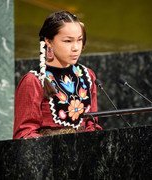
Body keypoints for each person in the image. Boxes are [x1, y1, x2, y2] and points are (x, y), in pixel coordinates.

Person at [13, 11, 102, 139]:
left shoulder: (87, 75)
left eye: (79, 40)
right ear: (48, 41)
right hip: (49, 155)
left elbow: (92, 124)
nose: (76, 47)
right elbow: (24, 135)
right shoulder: (33, 81)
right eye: (68, 41)